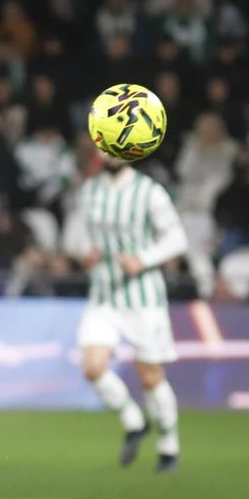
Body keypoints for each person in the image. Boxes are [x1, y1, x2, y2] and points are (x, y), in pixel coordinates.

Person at [72, 152, 189, 471]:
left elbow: (177, 238)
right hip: (104, 294)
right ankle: (134, 420)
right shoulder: (89, 190)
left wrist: (144, 258)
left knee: (150, 377)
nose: (105, 153)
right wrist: (85, 252)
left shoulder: (149, 191)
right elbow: (77, 237)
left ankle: (169, 442)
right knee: (92, 367)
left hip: (143, 298)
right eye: (100, 146)